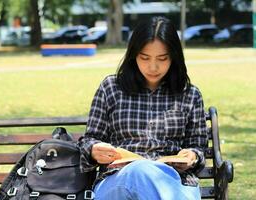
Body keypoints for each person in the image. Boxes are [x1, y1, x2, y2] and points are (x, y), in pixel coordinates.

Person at [78, 16, 208, 200]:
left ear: (174, 57)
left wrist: (193, 155)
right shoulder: (111, 88)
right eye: (144, 58)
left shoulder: (189, 94)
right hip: (118, 181)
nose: (153, 67)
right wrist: (94, 149)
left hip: (174, 182)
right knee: (139, 171)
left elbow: (198, 147)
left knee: (144, 173)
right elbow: (90, 140)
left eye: (162, 59)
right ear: (133, 55)